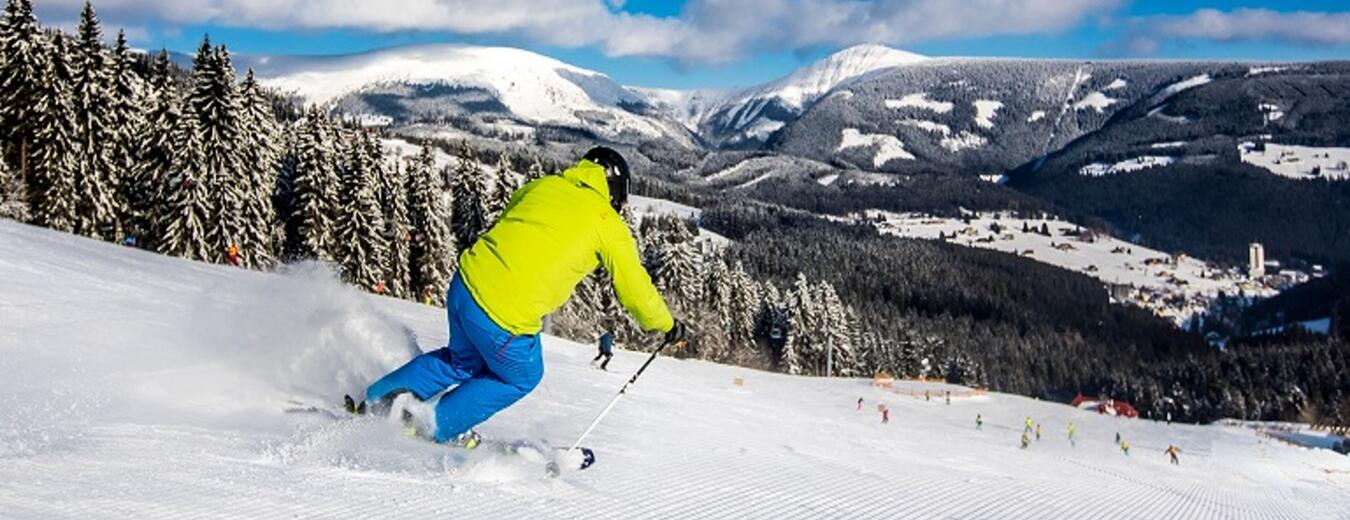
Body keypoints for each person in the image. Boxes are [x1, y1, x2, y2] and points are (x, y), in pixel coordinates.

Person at [354, 147, 685, 446]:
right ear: (616, 190)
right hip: (503, 313)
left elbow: (517, 220)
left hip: (465, 283)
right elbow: (635, 290)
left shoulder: (546, 185)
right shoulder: (608, 224)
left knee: (462, 360)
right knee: (522, 375)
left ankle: (376, 400)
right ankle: (434, 427)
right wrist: (666, 324)